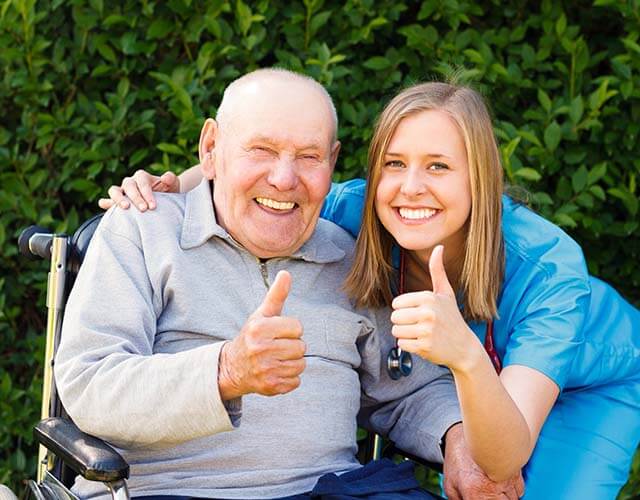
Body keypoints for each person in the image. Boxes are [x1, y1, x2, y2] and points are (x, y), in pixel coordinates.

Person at [105, 81, 640, 499]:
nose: (410, 188)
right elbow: (273, 177)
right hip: (462, 366)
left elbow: (504, 455)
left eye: (439, 167)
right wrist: (172, 182)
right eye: (394, 164)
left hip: (589, 379)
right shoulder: (355, 210)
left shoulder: (549, 268)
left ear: (479, 178)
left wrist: (469, 361)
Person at [55, 69, 471, 500]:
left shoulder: (348, 257)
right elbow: (90, 382)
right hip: (171, 490)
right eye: (262, 150)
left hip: (332, 491)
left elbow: (408, 389)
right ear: (211, 148)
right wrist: (226, 371)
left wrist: (456, 439)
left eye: (309, 157)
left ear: (332, 161)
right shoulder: (142, 232)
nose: (284, 179)